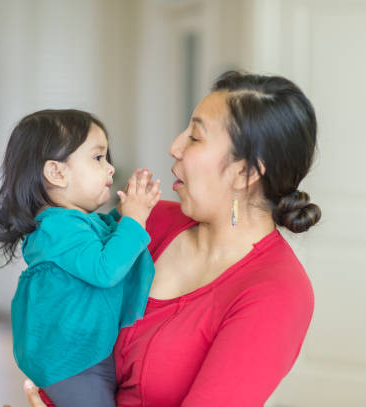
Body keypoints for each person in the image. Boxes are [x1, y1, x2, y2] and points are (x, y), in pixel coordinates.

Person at [22, 71, 321, 407]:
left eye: (194, 137)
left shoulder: (276, 292)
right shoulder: (145, 222)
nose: (174, 147)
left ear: (246, 172)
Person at [0, 109, 162, 407]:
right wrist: (135, 219)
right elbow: (106, 269)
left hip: (84, 355)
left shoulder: (71, 224)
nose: (111, 168)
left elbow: (105, 243)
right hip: (72, 363)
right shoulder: (58, 227)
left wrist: (128, 214)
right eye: (98, 158)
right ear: (57, 173)